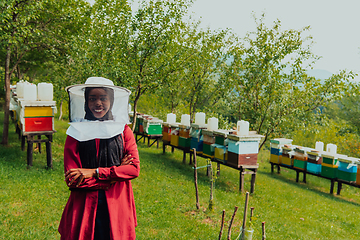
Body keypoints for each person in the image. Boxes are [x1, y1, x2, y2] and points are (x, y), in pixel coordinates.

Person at [58, 77, 140, 240]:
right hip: (84, 207)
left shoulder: (123, 131)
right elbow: (73, 180)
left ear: (112, 100)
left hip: (118, 206)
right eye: (92, 98)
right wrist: (114, 177)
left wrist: (94, 172)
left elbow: (133, 169)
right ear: (85, 102)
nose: (98, 103)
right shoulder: (76, 132)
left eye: (103, 98)